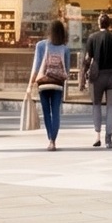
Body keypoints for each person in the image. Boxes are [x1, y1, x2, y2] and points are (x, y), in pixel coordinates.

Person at [84, 12, 112, 149]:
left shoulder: (92, 38)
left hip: (97, 77)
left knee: (96, 105)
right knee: (111, 107)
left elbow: (87, 59)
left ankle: (97, 136)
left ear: (99, 23)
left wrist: (83, 75)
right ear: (109, 24)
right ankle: (109, 138)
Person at [29, 18, 70, 150]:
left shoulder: (41, 45)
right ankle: (53, 140)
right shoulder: (65, 49)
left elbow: (36, 67)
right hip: (58, 85)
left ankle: (50, 140)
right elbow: (67, 70)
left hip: (43, 84)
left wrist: (30, 85)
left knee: (46, 112)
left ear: (49, 31)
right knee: (56, 112)